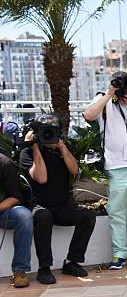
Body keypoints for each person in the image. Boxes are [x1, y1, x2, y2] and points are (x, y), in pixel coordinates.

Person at [83, 72, 127, 270]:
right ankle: (119, 254)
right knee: (116, 212)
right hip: (115, 167)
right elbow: (88, 116)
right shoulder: (103, 98)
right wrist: (108, 94)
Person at [19, 113, 96, 284]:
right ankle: (44, 268)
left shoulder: (62, 149)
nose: (48, 135)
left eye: (52, 131)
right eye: (45, 131)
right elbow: (41, 178)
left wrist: (62, 148)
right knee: (44, 216)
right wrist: (35, 148)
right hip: (38, 206)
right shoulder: (27, 153)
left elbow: (75, 171)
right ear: (36, 132)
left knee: (88, 216)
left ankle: (72, 262)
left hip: (62, 206)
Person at [0, 153, 33, 288]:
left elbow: (16, 196)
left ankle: (19, 271)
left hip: (2, 211)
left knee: (24, 216)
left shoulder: (5, 163)